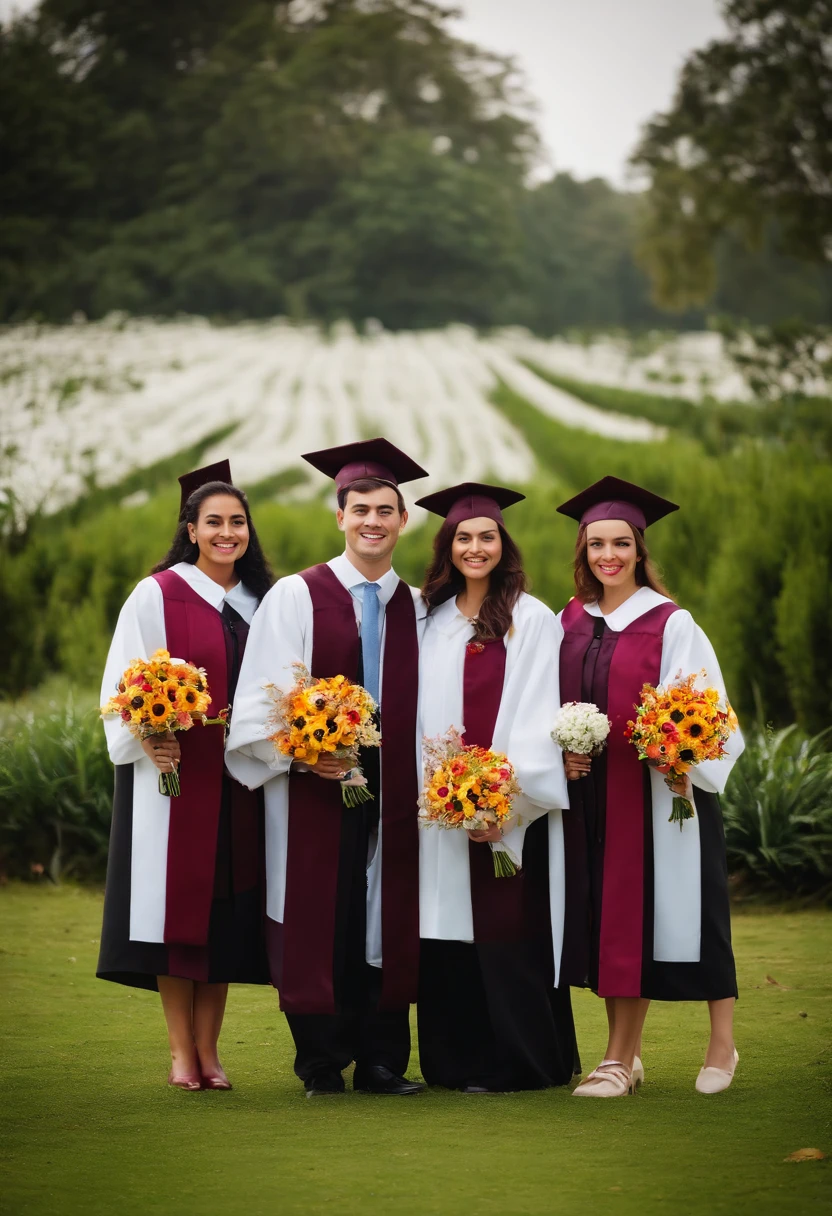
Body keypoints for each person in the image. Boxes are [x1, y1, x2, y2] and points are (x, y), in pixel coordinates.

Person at [225, 438, 427, 1098]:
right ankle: (319, 1063)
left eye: (386, 510)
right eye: (360, 508)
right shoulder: (295, 596)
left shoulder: (420, 606)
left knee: (384, 911)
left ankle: (381, 1060)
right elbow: (264, 691)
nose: (373, 520)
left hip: (397, 782)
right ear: (339, 516)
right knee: (319, 909)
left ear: (404, 520)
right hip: (315, 778)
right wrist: (306, 752)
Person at [554, 476, 745, 1097]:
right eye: (596, 545)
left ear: (639, 551)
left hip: (665, 795)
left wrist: (679, 754)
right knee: (615, 920)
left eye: (621, 544)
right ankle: (624, 1057)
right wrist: (564, 754)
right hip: (597, 797)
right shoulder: (571, 619)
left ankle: (721, 1045)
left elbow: (705, 703)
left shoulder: (670, 621)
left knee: (698, 913)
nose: (608, 556)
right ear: (582, 552)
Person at [97, 461, 273, 1090]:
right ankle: (180, 1053)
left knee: (223, 911)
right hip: (172, 776)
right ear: (191, 530)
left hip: (239, 777)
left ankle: (211, 1050)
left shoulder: (260, 602)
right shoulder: (159, 593)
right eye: (214, 523)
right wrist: (147, 732)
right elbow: (125, 677)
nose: (227, 533)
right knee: (176, 910)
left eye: (237, 522)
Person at [415, 482, 578, 1093]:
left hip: (503, 810)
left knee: (508, 929)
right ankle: (454, 1064)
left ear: (502, 544)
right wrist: (438, 794)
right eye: (464, 537)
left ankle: (524, 1062)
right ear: (447, 546)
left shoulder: (530, 620)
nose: (475, 548)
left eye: (486, 537)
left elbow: (539, 710)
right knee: (446, 927)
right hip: (436, 809)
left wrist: (505, 805)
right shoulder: (427, 619)